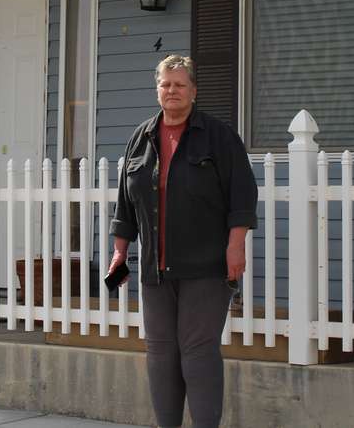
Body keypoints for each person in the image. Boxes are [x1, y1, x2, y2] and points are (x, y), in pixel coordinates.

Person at [107, 54, 258, 428]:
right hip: (155, 270)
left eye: (179, 84)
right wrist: (119, 251)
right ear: (157, 89)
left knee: (197, 350)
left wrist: (235, 246)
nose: (171, 91)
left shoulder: (219, 137)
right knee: (160, 352)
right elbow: (126, 203)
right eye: (165, 84)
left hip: (206, 266)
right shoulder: (140, 138)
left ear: (193, 90)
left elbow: (242, 196)